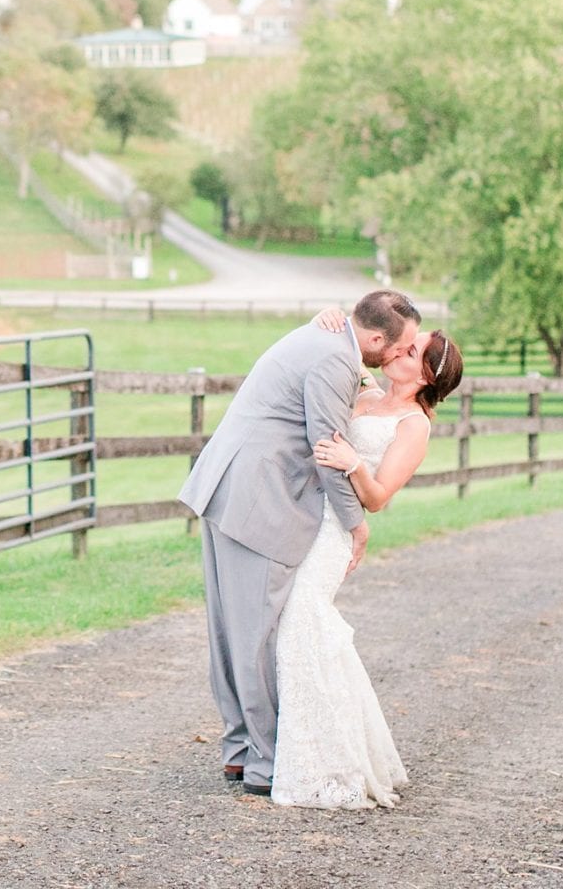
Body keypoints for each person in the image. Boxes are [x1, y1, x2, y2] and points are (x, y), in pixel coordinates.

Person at [177, 290, 421, 797]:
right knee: (258, 633)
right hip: (258, 500)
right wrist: (356, 523)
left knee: (231, 629)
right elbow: (327, 448)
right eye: (400, 347)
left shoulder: (326, 341)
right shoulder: (335, 356)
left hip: (228, 486)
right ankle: (264, 763)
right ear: (376, 339)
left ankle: (239, 751)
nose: (400, 355)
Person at [270, 312, 463, 809]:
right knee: (302, 629)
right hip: (310, 518)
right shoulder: (367, 391)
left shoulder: (413, 425)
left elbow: (378, 498)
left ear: (425, 376)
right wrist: (329, 316)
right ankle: (307, 747)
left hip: (336, 533)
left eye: (412, 350)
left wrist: (353, 464)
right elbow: (350, 343)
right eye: (402, 344)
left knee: (300, 626)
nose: (400, 349)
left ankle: (325, 763)